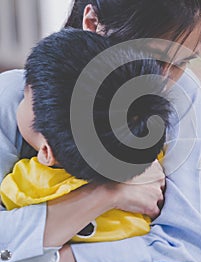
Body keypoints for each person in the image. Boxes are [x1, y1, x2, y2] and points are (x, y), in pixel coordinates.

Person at [0, 0, 201, 262]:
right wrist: (106, 194)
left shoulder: (182, 100)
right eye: (151, 58)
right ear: (93, 23)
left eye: (182, 62)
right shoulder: (16, 98)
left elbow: (190, 261)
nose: (162, 82)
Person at [1, 28, 171, 246]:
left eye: (25, 97)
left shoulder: (26, 186)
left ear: (46, 151)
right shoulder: (148, 157)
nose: (20, 92)